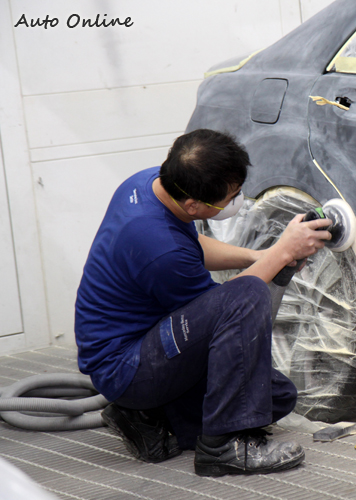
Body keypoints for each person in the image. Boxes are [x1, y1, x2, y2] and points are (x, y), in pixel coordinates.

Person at [74, 129, 331, 477]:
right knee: (249, 296)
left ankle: (145, 416)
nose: (237, 200)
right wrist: (283, 253)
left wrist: (262, 256)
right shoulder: (159, 248)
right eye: (231, 197)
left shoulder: (151, 184)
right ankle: (222, 447)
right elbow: (230, 312)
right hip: (128, 369)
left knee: (274, 396)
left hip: (145, 344)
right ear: (193, 206)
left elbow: (190, 246)